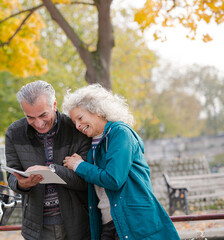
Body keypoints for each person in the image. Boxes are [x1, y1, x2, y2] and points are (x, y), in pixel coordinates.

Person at [61, 84, 180, 240]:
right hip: (108, 222)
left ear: (97, 110)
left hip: (133, 222)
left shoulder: (120, 133)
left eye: (80, 118)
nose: (77, 125)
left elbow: (113, 179)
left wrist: (79, 165)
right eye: (74, 121)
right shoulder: (93, 142)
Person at [5, 80, 91, 240]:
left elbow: (87, 180)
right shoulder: (14, 133)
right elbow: (11, 177)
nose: (38, 123)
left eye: (43, 115)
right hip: (36, 228)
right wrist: (20, 184)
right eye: (30, 117)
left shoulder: (76, 129)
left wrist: (53, 171)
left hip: (78, 225)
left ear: (54, 104)